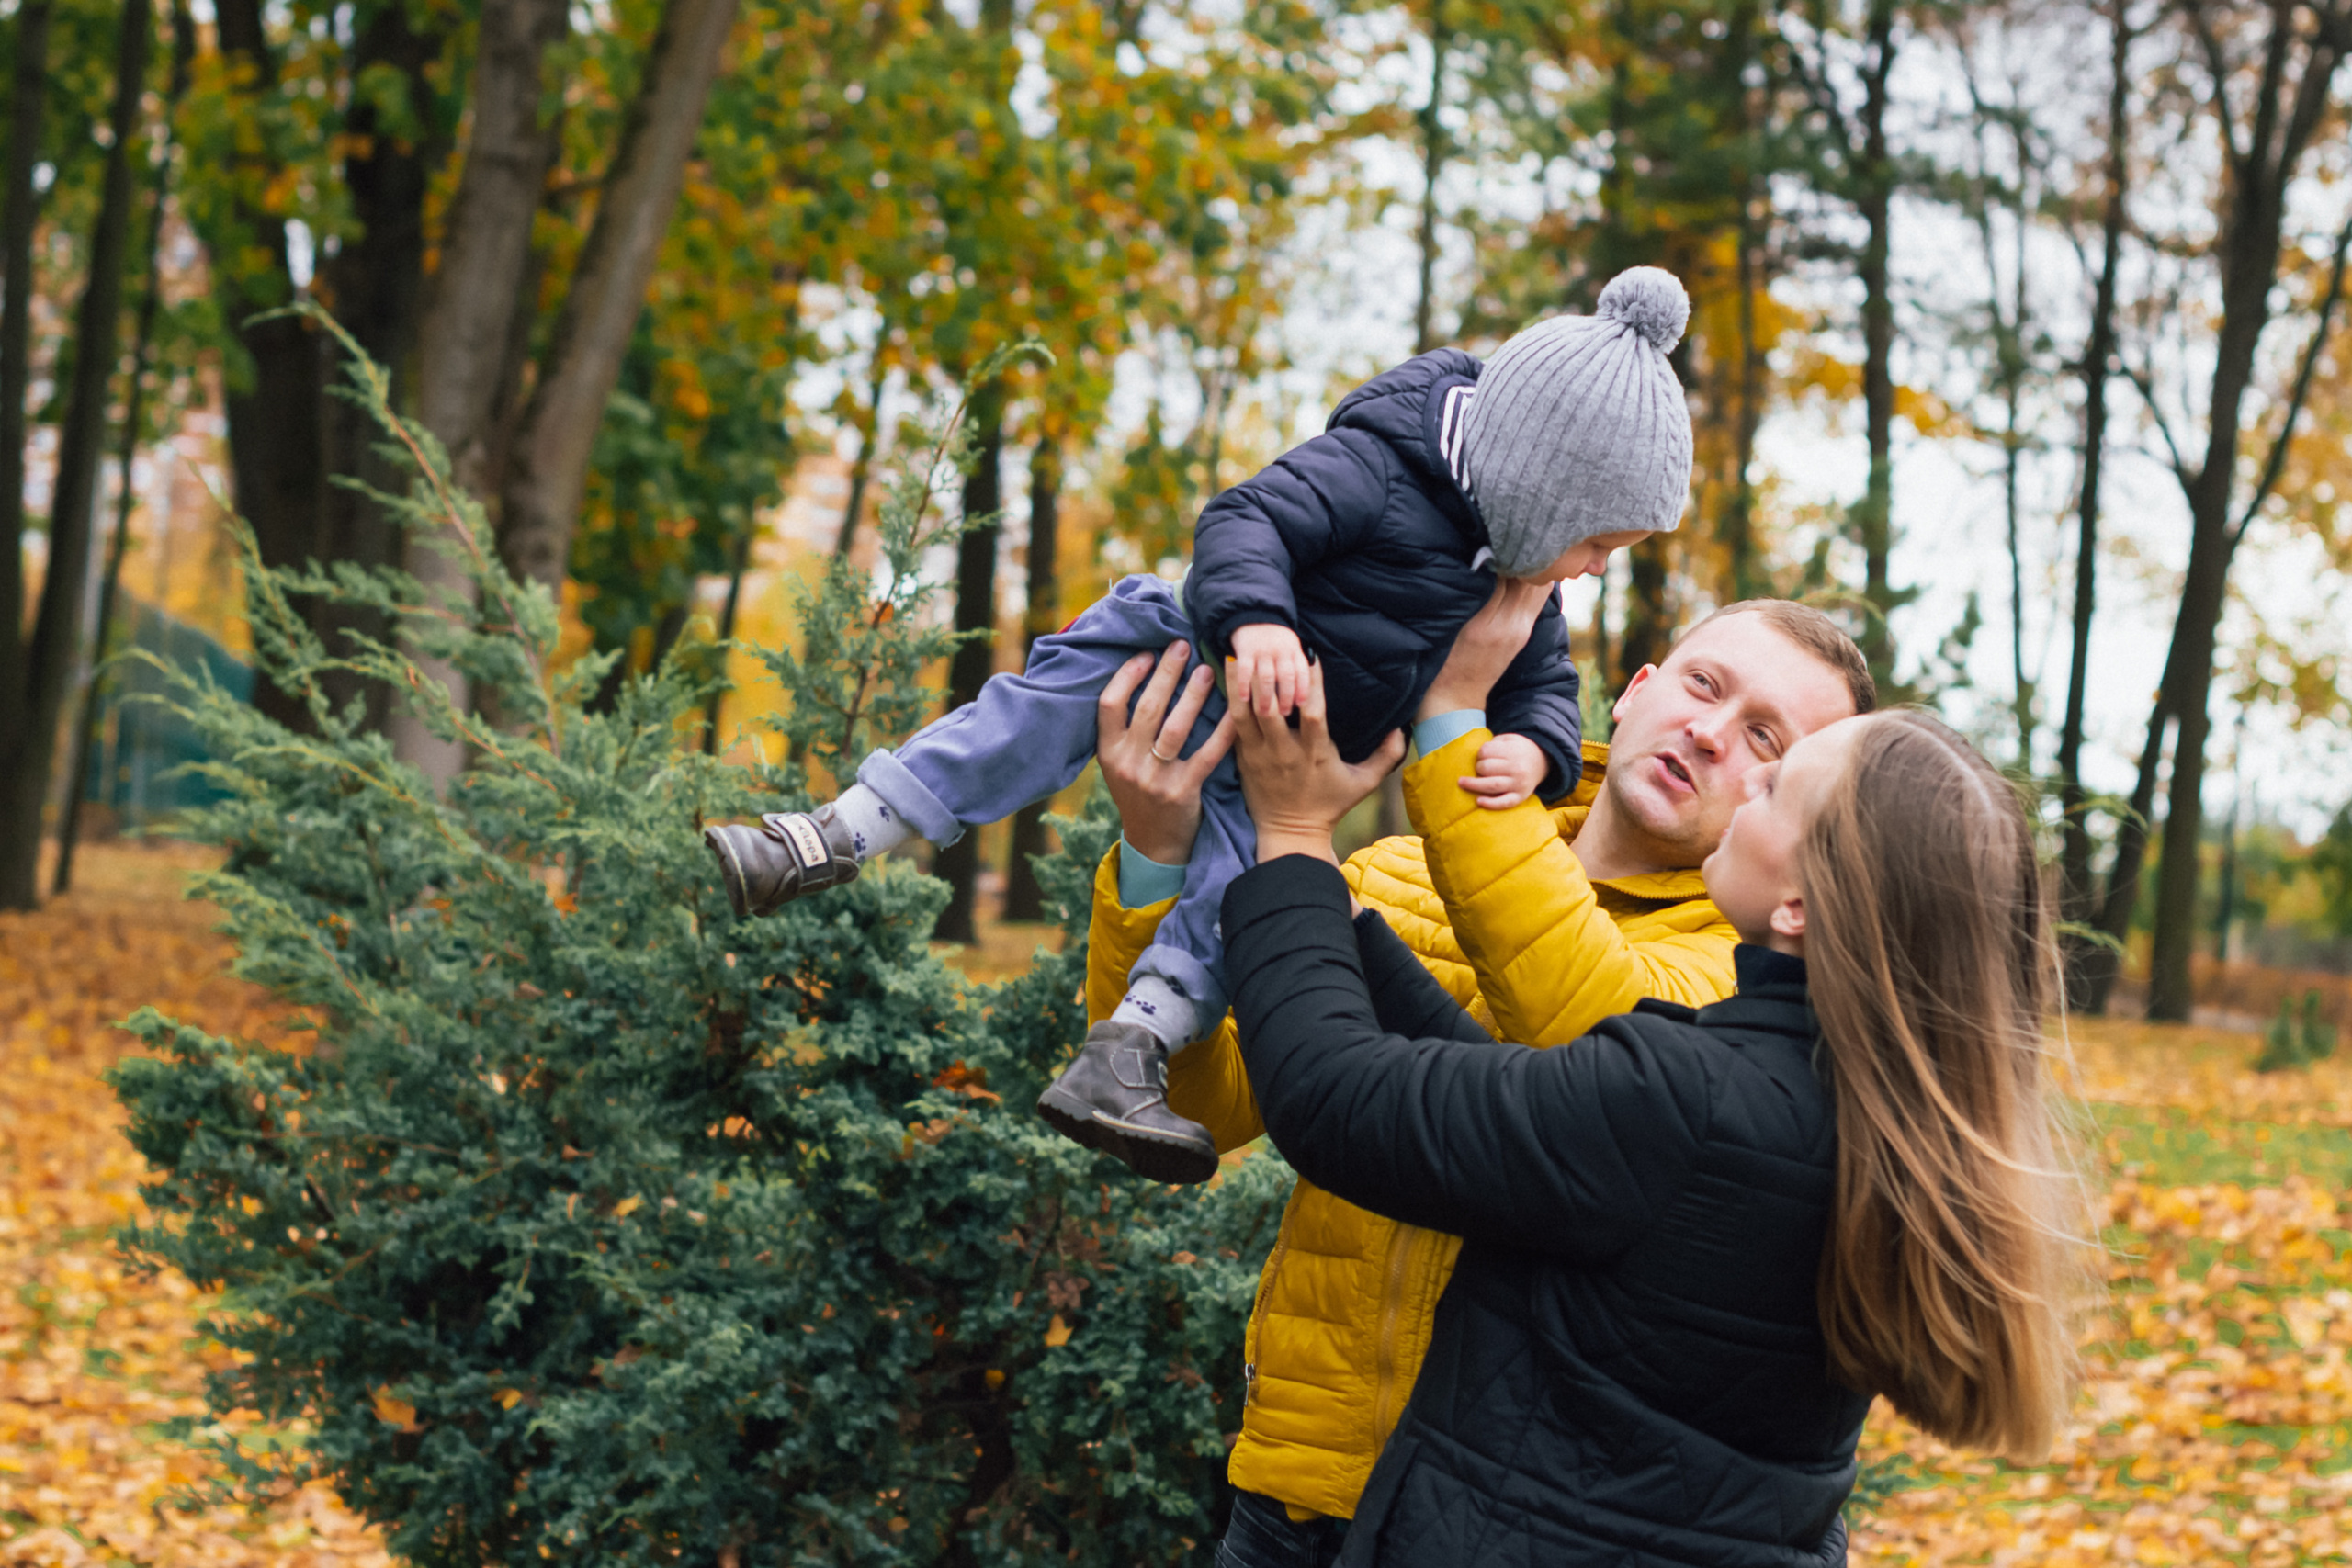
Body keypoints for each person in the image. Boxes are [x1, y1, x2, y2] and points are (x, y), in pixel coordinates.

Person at [706, 267, 1697, 1184]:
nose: (1597, 566)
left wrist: (1536, 746)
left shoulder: (1520, 588)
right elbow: (1245, 520)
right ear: (1543, 488)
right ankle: (831, 834)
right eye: (1599, 539)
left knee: (1240, 898)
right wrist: (1257, 618)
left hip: (1272, 761)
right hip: (1185, 648)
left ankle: (1125, 1054)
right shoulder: (1381, 464)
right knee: (1032, 714)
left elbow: (1545, 687)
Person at [1216, 667, 2083, 1566]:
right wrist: (1348, 925)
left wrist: (1287, 835)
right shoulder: (1854, 1112)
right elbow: (1527, 1111)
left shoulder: (1684, 1101)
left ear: (1798, 904)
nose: (1744, 781)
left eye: (1776, 783)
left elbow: (1330, 1100)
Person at [1085, 594, 1871, 1562]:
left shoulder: (1735, 976)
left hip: (1504, 1520)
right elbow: (1213, 1103)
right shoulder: (1398, 879)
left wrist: (1451, 722)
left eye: (1766, 740)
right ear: (1634, 693)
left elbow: (1597, 1026)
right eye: (1703, 686)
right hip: (1299, 1490)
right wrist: (1157, 856)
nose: (1709, 735)